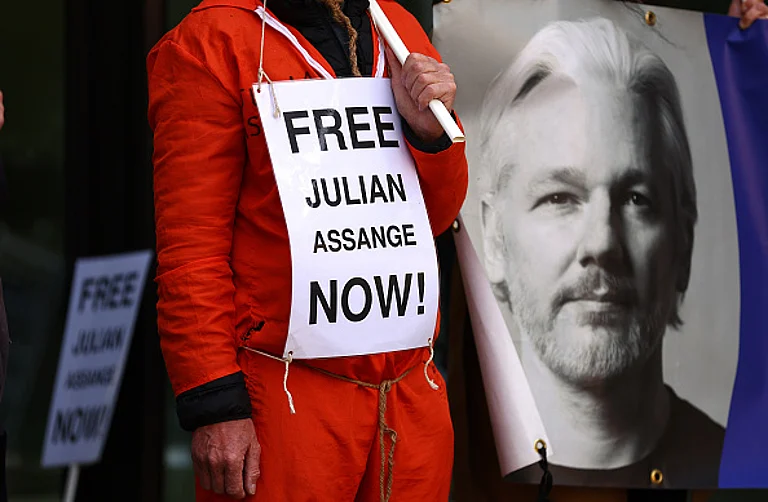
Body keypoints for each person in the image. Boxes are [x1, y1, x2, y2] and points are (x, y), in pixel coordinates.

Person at [147, 0, 468, 501]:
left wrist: (430, 135)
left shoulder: (396, 27)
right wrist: (214, 404)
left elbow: (438, 218)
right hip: (285, 397)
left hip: (408, 394)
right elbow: (192, 249)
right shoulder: (213, 40)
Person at [478, 17, 723, 488]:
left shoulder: (739, 468)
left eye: (636, 199)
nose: (602, 244)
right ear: (494, 239)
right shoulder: (437, 469)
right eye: (560, 198)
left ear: (684, 243)